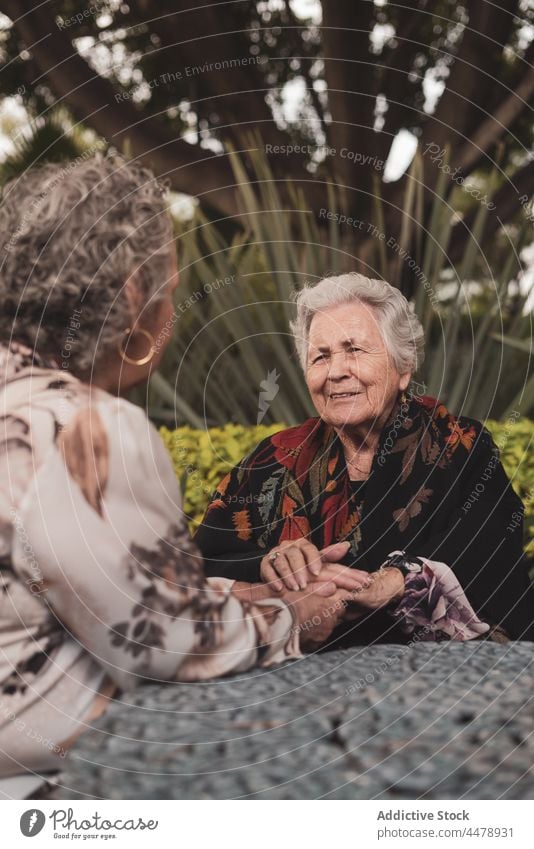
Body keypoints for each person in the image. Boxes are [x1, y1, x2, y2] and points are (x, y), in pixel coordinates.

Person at [0, 156, 354, 794]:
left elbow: (86, 592)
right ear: (136, 293)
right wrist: (294, 614)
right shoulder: (86, 430)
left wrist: (217, 592)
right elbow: (169, 649)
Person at [195, 273, 534, 646]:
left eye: (354, 350)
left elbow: (490, 546)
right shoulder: (271, 460)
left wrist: (394, 582)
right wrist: (267, 563)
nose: (336, 371)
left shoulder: (460, 447)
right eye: (320, 356)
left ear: (403, 368)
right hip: (296, 680)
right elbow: (198, 562)